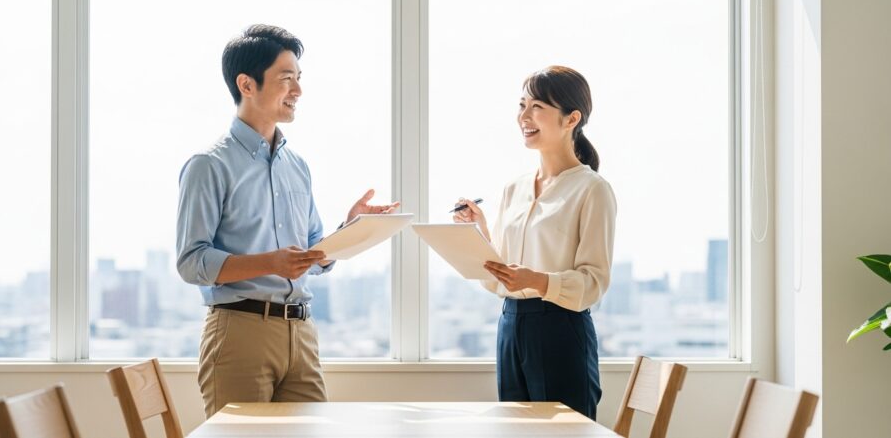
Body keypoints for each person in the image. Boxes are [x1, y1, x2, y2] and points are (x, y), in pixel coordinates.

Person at [176, 24, 399, 418]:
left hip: (301, 333)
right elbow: (192, 262)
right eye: (286, 79)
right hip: (239, 332)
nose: (298, 90)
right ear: (247, 84)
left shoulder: (298, 167)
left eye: (299, 78)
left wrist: (349, 231)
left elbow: (315, 252)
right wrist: (270, 263)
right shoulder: (209, 165)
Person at [452, 65, 616, 419]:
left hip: (560, 328)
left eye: (537, 107)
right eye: (522, 105)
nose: (524, 116)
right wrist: (479, 233)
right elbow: (502, 270)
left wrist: (537, 281)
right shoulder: (515, 188)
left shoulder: (592, 190)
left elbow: (594, 281)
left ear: (572, 118)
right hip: (510, 325)